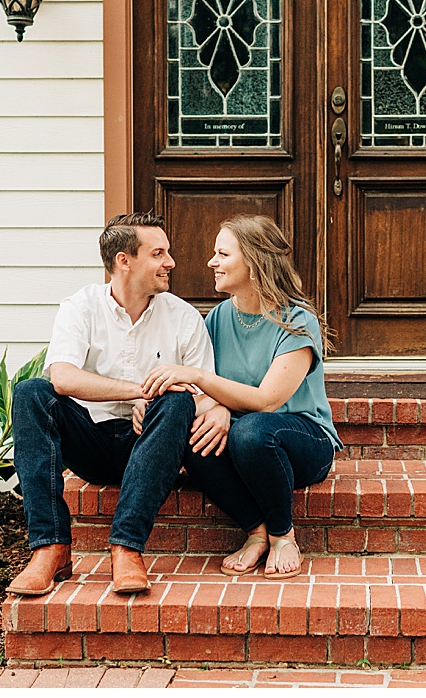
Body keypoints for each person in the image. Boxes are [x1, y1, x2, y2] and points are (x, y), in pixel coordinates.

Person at [6, 213, 222, 596]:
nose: (170, 262)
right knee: (30, 392)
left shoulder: (183, 317)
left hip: (157, 447)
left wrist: (165, 402)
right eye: (158, 254)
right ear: (124, 260)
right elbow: (63, 378)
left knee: (175, 400)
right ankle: (50, 547)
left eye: (167, 253)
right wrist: (140, 391)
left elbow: (203, 397)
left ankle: (126, 548)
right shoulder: (82, 307)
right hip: (93, 442)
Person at [142, 214, 342, 580]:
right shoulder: (217, 317)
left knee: (252, 431)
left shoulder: (297, 320)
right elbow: (200, 392)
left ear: (254, 262)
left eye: (222, 254)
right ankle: (256, 531)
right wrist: (207, 405)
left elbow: (268, 400)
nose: (211, 262)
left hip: (300, 442)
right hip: (242, 442)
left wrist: (200, 377)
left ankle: (283, 534)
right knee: (186, 428)